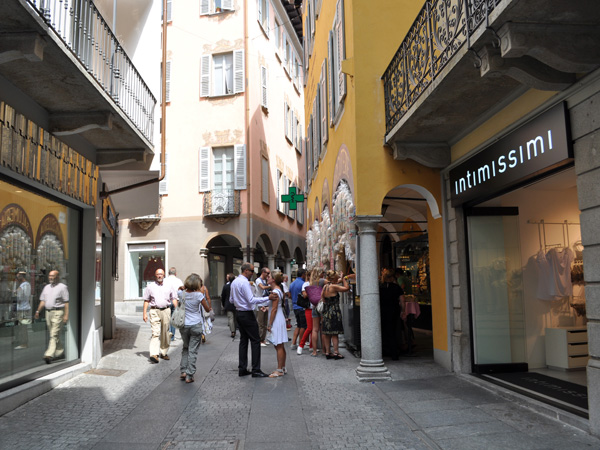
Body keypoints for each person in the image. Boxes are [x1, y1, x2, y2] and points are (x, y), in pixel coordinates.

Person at [232, 262, 278, 377]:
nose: (253, 273)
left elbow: (231, 300)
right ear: (246, 271)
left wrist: (240, 302)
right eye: (252, 271)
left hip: (239, 313)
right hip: (246, 313)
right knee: (255, 340)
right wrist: (268, 298)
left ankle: (242, 368)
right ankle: (256, 369)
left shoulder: (235, 282)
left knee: (243, 341)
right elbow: (251, 300)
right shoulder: (244, 283)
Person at [178, 273, 210, 383]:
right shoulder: (199, 295)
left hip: (184, 324)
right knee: (193, 351)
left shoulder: (181, 294)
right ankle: (189, 375)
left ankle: (183, 371)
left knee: (185, 347)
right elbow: (207, 309)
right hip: (195, 324)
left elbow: (179, 289)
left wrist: (182, 287)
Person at [142, 268, 177, 364]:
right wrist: (144, 313)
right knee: (155, 333)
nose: (159, 275)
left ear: (164, 275)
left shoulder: (169, 286)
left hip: (166, 310)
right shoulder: (150, 286)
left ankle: (164, 352)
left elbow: (174, 298)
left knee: (165, 332)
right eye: (158, 274)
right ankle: (154, 354)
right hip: (154, 310)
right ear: (155, 275)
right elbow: (146, 300)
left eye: (161, 274)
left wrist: (177, 310)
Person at [34, 270, 69, 364]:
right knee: (54, 334)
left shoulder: (62, 287)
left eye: (52, 276)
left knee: (53, 334)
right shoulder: (46, 287)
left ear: (57, 277)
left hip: (58, 312)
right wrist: (38, 311)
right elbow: (43, 301)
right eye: (49, 276)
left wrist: (66, 315)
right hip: (48, 313)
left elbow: (66, 302)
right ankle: (60, 351)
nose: (50, 277)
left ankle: (49, 354)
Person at [321, 270, 349, 359]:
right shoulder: (334, 287)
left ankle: (328, 352)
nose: (338, 280)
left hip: (326, 312)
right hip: (334, 312)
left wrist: (341, 277)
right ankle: (336, 352)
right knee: (334, 333)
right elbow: (346, 288)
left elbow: (322, 298)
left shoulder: (325, 286)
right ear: (334, 279)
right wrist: (344, 279)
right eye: (336, 278)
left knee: (327, 333)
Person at [380, 269, 405, 360]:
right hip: (393, 310)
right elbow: (402, 300)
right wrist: (403, 311)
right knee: (393, 331)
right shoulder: (396, 287)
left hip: (382, 310)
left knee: (382, 330)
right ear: (392, 277)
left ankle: (384, 351)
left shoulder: (380, 287)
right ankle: (394, 353)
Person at [266, 272, 287, 377]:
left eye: (269, 277)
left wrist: (269, 324)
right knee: (280, 345)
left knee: (278, 345)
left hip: (276, 319)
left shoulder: (275, 292)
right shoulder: (279, 290)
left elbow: (274, 309)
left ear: (273, 279)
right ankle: (282, 367)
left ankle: (279, 370)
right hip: (279, 318)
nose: (267, 278)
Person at [297, 268, 320, 355]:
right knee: (310, 328)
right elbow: (304, 295)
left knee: (315, 329)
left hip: (317, 307)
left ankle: (312, 346)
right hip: (309, 308)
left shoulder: (317, 283)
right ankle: (301, 345)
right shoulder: (306, 284)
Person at [303, 268, 324, 357]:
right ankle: (324, 350)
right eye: (322, 273)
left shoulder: (310, 283)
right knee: (323, 329)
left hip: (314, 307)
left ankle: (314, 351)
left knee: (314, 329)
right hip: (322, 307)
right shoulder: (322, 281)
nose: (323, 274)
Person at [289, 268, 308, 350]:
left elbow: (289, 295)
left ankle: (293, 343)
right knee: (303, 326)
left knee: (298, 325)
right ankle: (300, 344)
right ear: (303, 274)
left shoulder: (292, 284)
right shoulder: (303, 284)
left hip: (295, 306)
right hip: (301, 307)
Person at [165, 267, 184, 341]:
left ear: (168, 273)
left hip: (167, 301)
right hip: (176, 301)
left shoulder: (165, 280)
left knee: (166, 318)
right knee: (173, 319)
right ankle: (172, 336)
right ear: (175, 273)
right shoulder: (179, 281)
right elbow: (182, 291)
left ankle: (166, 334)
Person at [14, 271, 32, 350]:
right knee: (20, 326)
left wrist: (17, 292)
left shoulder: (25, 285)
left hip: (23, 308)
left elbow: (21, 297)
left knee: (23, 327)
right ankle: (21, 341)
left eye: (18, 277)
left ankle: (24, 343)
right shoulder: (22, 285)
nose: (17, 278)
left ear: (22, 277)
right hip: (21, 308)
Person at [254, 267, 270, 346]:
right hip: (260, 303)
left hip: (266, 303)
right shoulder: (258, 280)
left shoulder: (265, 280)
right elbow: (262, 287)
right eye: (267, 273)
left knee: (265, 323)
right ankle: (260, 340)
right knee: (260, 323)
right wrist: (271, 286)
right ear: (263, 272)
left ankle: (263, 339)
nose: (268, 275)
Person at [221, 273, 236, 338]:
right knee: (235, 318)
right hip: (236, 304)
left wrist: (223, 304)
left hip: (228, 304)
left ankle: (232, 331)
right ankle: (234, 329)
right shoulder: (236, 286)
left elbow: (223, 296)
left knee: (230, 318)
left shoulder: (226, 286)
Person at [199, 278, 213, 342]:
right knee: (204, 319)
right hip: (203, 306)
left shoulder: (195, 289)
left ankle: (201, 333)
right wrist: (209, 306)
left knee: (199, 320)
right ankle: (203, 333)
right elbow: (208, 298)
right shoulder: (204, 288)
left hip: (197, 306)